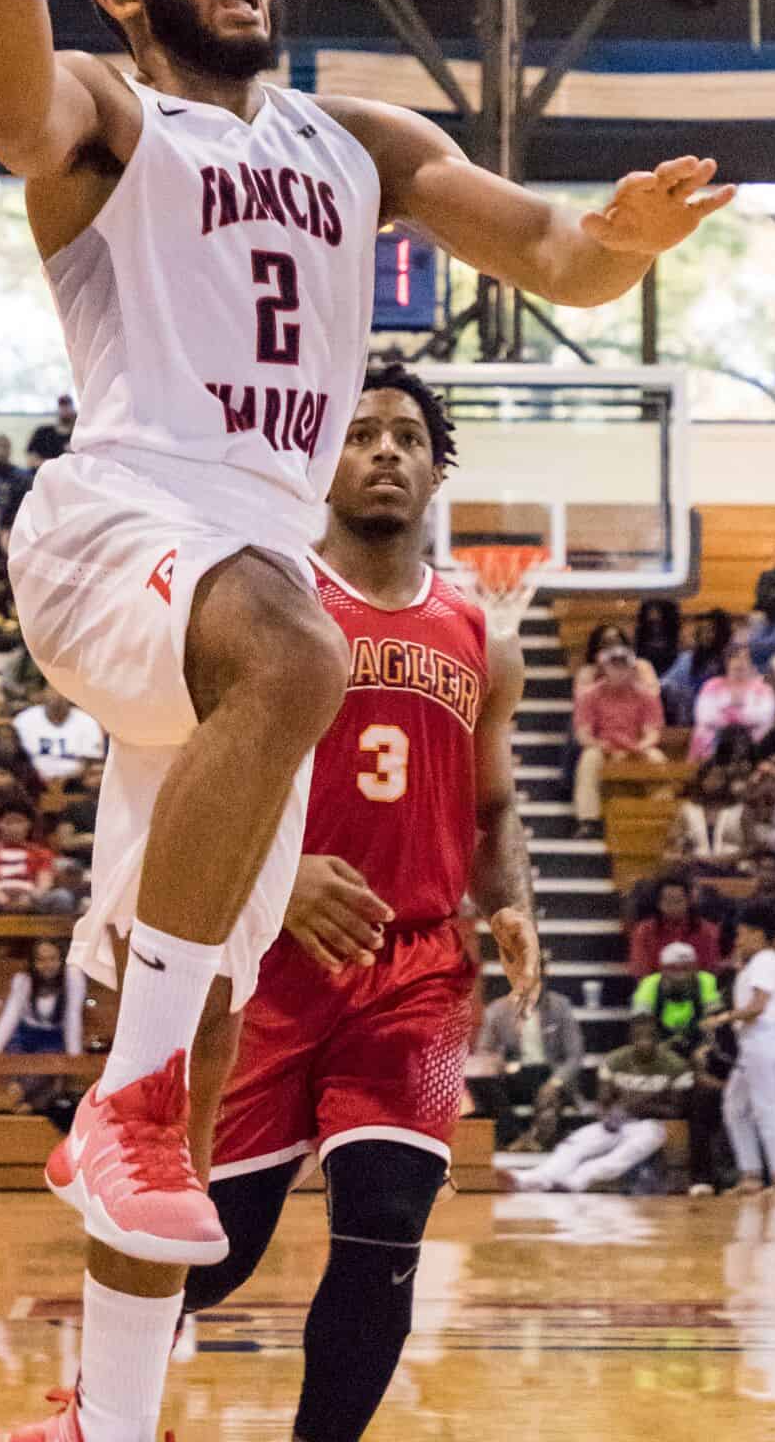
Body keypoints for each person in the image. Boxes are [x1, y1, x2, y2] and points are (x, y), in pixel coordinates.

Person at [0, 0, 729, 1442]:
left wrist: (615, 237)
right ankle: (135, 1095)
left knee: (210, 1052)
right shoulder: (108, 116)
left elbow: (543, 245)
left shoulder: (353, 142)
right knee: (299, 653)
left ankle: (109, 1409)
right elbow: (5, 98)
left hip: (232, 606)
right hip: (125, 527)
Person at [188, 368, 542, 1441]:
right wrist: (274, 873)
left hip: (421, 967)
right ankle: (95, 1397)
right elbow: (182, 776)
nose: (384, 449)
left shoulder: (486, 632)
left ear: (438, 469)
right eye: (359, 433)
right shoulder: (265, 601)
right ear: (320, 462)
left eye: (406, 435)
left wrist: (512, 899)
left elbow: (494, 804)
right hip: (271, 962)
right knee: (219, 1245)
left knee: (387, 1225)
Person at [504, 1012, 691, 1195]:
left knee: (639, 1143)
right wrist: (607, 1117)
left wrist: (637, 1104)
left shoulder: (675, 1066)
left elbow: (676, 1109)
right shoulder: (614, 1060)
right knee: (577, 1141)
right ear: (630, 1038)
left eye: (650, 1037)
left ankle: (578, 1180)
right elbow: (603, 1102)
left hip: (651, 1125)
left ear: (658, 1038)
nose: (644, 1042)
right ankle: (533, 1178)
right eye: (638, 1037)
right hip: (617, 1121)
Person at [712, 908, 775, 1197]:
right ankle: (750, 1173)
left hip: (762, 1038)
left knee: (765, 1107)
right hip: (753, 1043)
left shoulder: (764, 961)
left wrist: (724, 1018)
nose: (738, 939)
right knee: (734, 1106)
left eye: (742, 934)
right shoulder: (758, 963)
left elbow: (758, 1005)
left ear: (758, 934)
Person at [473, 981, 583, 1152]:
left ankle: (539, 1139)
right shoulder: (497, 1009)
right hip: (513, 1073)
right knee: (481, 1080)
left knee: (553, 1089)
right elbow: (483, 1052)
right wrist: (501, 1063)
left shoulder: (560, 1006)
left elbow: (574, 1056)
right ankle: (513, 1137)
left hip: (548, 1072)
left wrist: (555, 1082)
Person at [572, 646, 666, 836]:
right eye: (614, 666)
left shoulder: (646, 696)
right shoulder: (589, 695)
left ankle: (660, 812)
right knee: (589, 758)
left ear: (632, 670)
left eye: (624, 667)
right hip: (603, 746)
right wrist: (600, 745)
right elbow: (583, 734)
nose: (619, 671)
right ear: (604, 669)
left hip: (635, 746)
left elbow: (652, 733)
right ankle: (588, 820)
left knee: (657, 759)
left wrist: (642, 746)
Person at [0, 937, 87, 1113]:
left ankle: (25, 1102)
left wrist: (74, 1057)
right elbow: (9, 1016)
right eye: (41, 960)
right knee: (15, 1063)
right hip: (25, 1036)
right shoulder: (23, 980)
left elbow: (73, 1016)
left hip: (54, 1039)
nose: (47, 965)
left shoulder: (73, 977)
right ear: (33, 962)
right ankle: (23, 1100)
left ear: (61, 959)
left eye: (52, 959)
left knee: (47, 1068)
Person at [691, 645, 775, 761]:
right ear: (727, 662)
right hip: (715, 741)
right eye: (735, 658)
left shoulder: (763, 689)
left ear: (751, 663)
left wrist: (729, 713)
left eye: (745, 658)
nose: (740, 663)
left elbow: (764, 716)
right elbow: (705, 716)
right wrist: (737, 715)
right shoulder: (711, 685)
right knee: (705, 732)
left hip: (753, 742)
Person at [628, 873, 721, 980]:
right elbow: (640, 971)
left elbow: (711, 970)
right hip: (656, 992)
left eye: (678, 901)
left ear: (689, 901)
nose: (672, 906)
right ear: (658, 903)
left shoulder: (707, 931)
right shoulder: (644, 931)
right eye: (667, 901)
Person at [13, 685, 108, 783]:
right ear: (42, 694)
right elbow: (16, 757)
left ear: (70, 697)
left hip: (77, 782)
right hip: (32, 782)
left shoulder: (87, 721)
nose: (57, 697)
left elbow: (94, 760)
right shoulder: (24, 719)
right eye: (52, 691)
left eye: (61, 692)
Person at [667, 757, 745, 866]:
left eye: (718, 777)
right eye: (708, 777)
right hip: (696, 865)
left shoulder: (740, 810)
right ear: (701, 781)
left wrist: (726, 859)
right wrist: (682, 852)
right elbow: (675, 841)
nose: (713, 782)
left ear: (727, 781)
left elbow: (751, 846)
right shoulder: (688, 810)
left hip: (733, 867)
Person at [660, 610, 732, 725]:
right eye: (702, 631)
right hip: (689, 713)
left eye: (710, 631)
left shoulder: (730, 659)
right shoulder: (687, 658)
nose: (705, 635)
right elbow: (665, 683)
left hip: (721, 716)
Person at [27, 394, 78, 470]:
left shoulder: (78, 437)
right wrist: (57, 465)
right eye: (62, 406)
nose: (64, 409)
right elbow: (31, 462)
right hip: (43, 475)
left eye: (67, 406)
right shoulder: (42, 432)